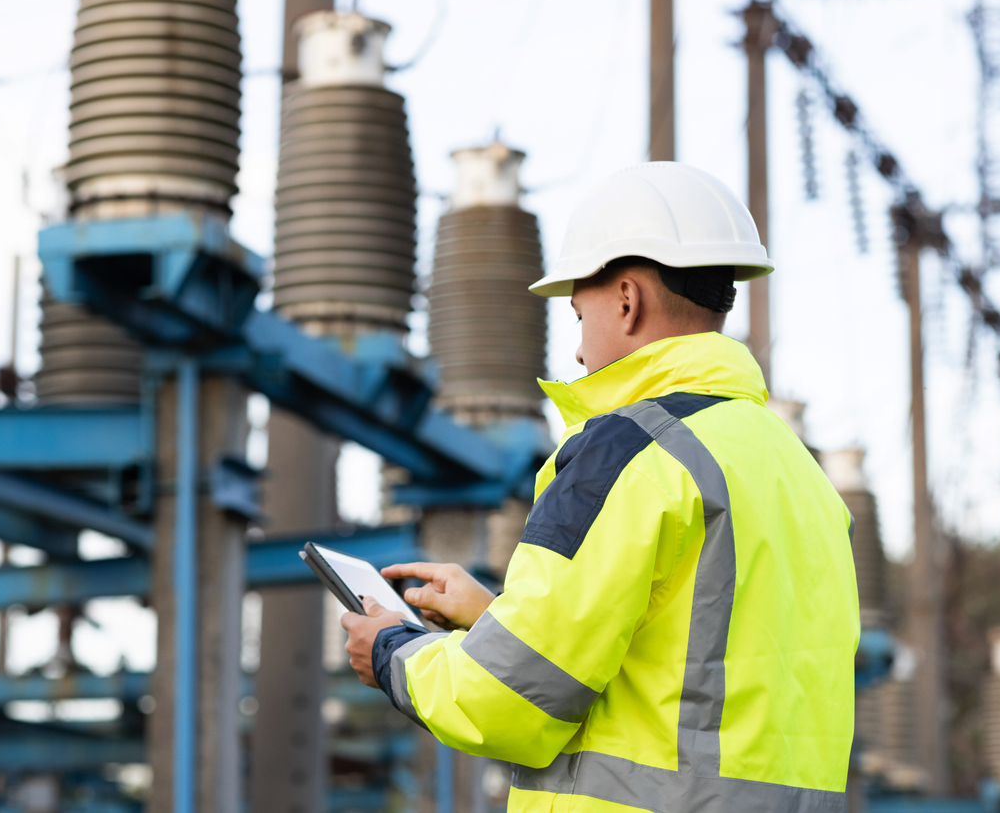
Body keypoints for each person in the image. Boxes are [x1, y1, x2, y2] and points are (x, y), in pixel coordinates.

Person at [341, 162, 860, 813]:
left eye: (578, 315)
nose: (580, 354)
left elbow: (500, 702)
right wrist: (496, 619)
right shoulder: (796, 472)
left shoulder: (630, 450)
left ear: (624, 299)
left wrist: (392, 648)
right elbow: (694, 673)